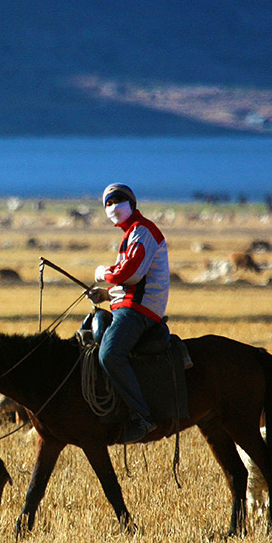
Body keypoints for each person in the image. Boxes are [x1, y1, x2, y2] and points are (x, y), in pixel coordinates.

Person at [86, 183, 170, 443]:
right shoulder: (131, 233)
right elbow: (131, 282)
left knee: (110, 354)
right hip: (129, 304)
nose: (114, 206)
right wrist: (106, 295)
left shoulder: (142, 231)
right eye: (108, 203)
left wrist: (102, 273)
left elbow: (129, 274)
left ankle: (142, 417)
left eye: (120, 200)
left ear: (132, 203)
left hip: (138, 310)